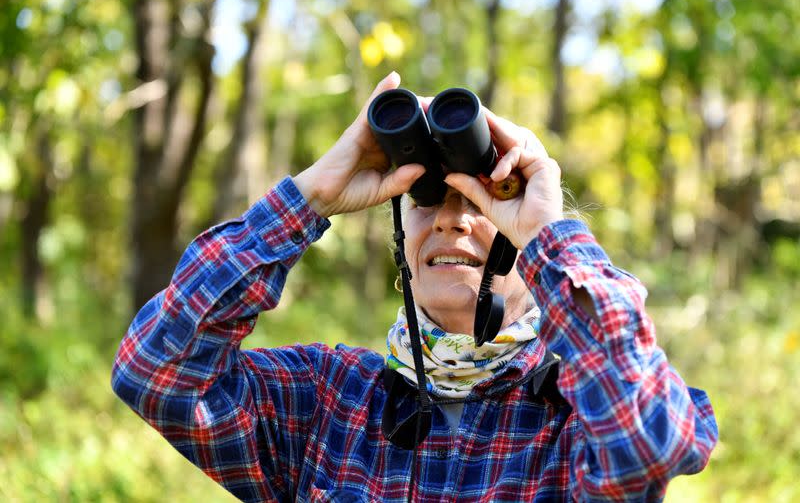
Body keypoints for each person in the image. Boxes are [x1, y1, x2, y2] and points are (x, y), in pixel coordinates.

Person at [111, 72, 718, 502]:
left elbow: (649, 445)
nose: (452, 219)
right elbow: (156, 371)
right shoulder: (330, 401)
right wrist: (308, 198)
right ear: (400, 238)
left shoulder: (577, 413)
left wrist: (548, 235)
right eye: (426, 200)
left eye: (485, 200)